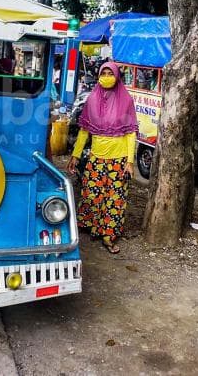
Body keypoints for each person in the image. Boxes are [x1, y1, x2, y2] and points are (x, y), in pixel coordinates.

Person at [67, 62, 138, 254]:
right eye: (103, 73)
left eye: (110, 73)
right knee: (92, 195)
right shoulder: (91, 100)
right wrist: (75, 155)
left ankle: (108, 236)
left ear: (117, 76)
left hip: (119, 160)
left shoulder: (126, 101)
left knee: (114, 200)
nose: (106, 76)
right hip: (96, 158)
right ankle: (94, 228)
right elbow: (84, 131)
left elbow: (131, 133)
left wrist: (130, 162)